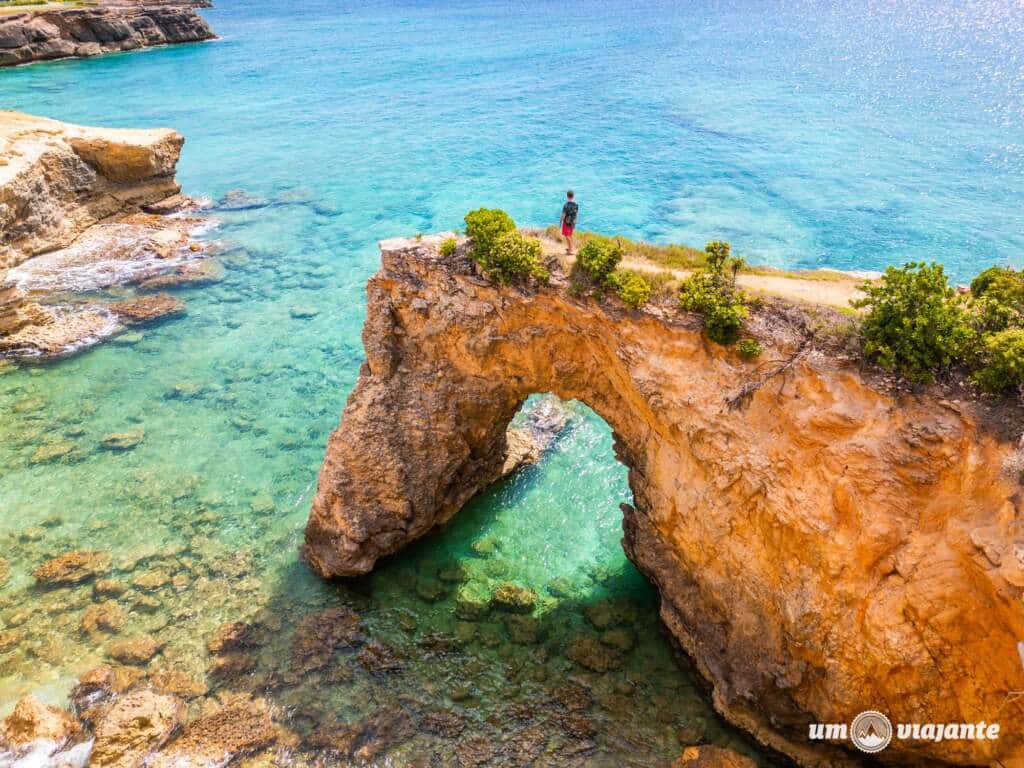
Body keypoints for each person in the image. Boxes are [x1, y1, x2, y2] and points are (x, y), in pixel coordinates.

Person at [560, 190, 578, 255]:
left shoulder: (566, 205)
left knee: (566, 235)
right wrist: (575, 222)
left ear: (567, 196)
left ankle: (571, 250)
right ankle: (571, 247)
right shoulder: (576, 204)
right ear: (573, 196)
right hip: (572, 222)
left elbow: (563, 215)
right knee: (570, 235)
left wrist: (560, 222)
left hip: (566, 222)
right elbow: (576, 214)